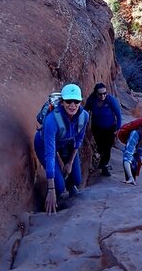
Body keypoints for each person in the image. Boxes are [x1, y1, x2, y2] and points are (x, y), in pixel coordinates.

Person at [34, 83, 89, 215]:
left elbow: (78, 141)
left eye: (76, 101)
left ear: (81, 102)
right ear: (62, 102)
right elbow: (49, 154)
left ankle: (70, 188)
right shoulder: (51, 120)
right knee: (58, 186)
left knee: (76, 179)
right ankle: (50, 201)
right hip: (44, 145)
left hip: (66, 143)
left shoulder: (84, 116)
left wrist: (69, 163)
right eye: (68, 101)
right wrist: (52, 189)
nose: (72, 105)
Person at [85, 83, 122, 176]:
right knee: (100, 146)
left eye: (104, 93)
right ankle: (101, 160)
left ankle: (104, 166)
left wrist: (118, 129)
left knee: (107, 148)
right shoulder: (92, 100)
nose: (103, 96)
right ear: (96, 93)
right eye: (100, 94)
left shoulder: (111, 100)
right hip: (97, 128)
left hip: (110, 128)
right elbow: (85, 110)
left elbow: (118, 115)